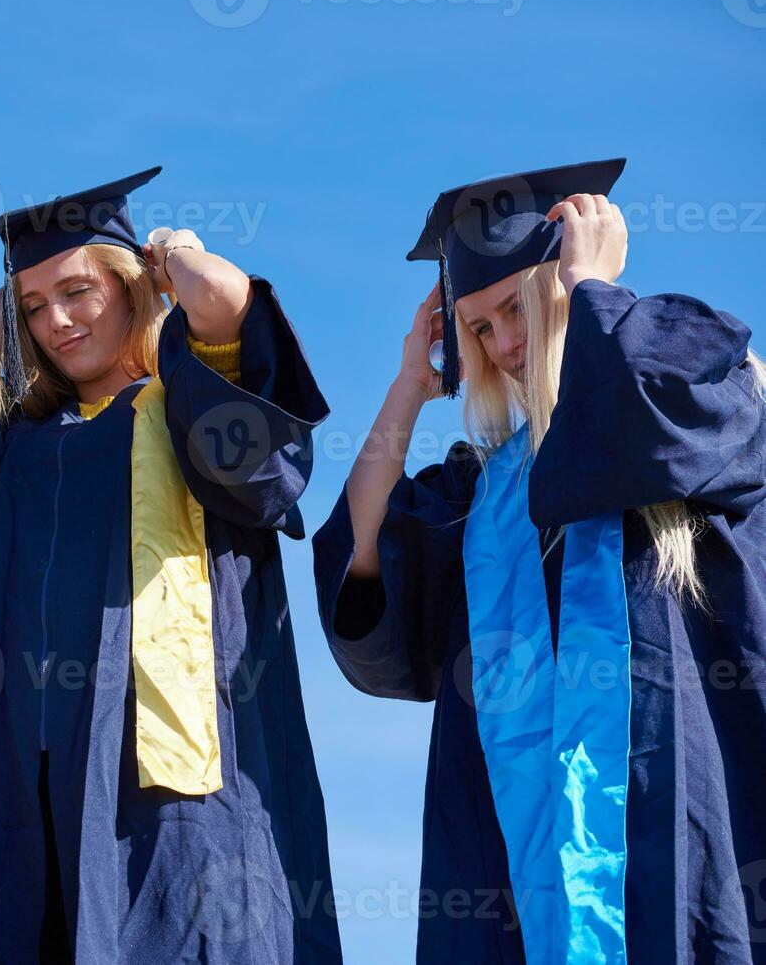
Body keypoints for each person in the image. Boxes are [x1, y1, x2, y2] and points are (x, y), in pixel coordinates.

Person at [0, 167, 341, 962]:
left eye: (77, 292)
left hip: (170, 766)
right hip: (20, 767)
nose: (55, 321)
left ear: (131, 287)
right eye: (33, 306)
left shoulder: (191, 399)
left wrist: (168, 256)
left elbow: (227, 301)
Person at [312, 158, 766, 962]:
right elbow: (360, 553)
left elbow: (642, 423)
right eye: (479, 327)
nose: (503, 343)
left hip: (671, 798)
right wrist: (409, 386)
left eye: (516, 308)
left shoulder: (696, 383)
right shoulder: (482, 492)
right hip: (510, 846)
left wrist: (595, 285)